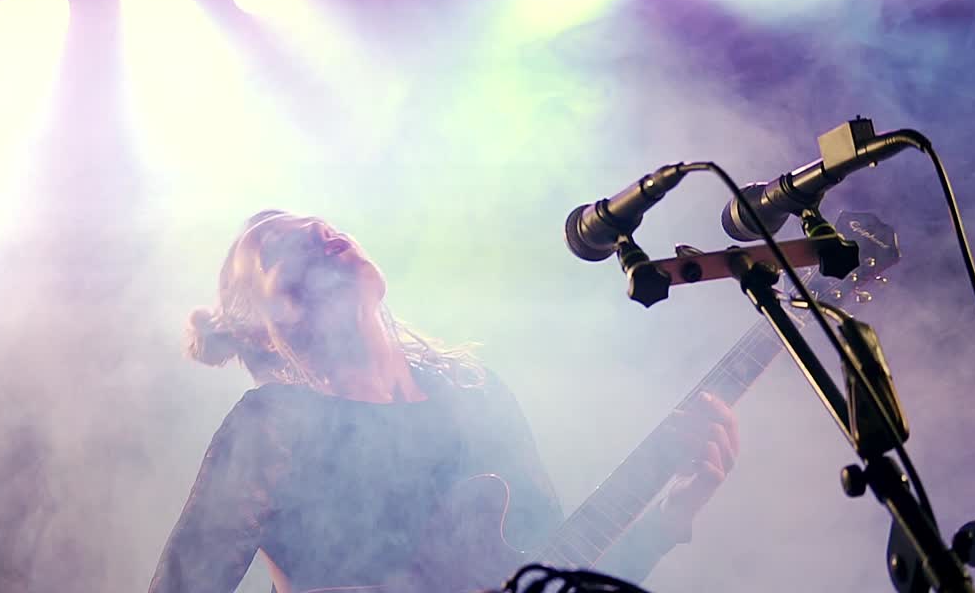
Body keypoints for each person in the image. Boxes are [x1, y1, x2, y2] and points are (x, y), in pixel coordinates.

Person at [148, 210, 739, 593]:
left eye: (317, 222)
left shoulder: (476, 392)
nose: (313, 230)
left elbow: (558, 576)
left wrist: (670, 518)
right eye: (278, 245)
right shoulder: (271, 425)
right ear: (260, 328)